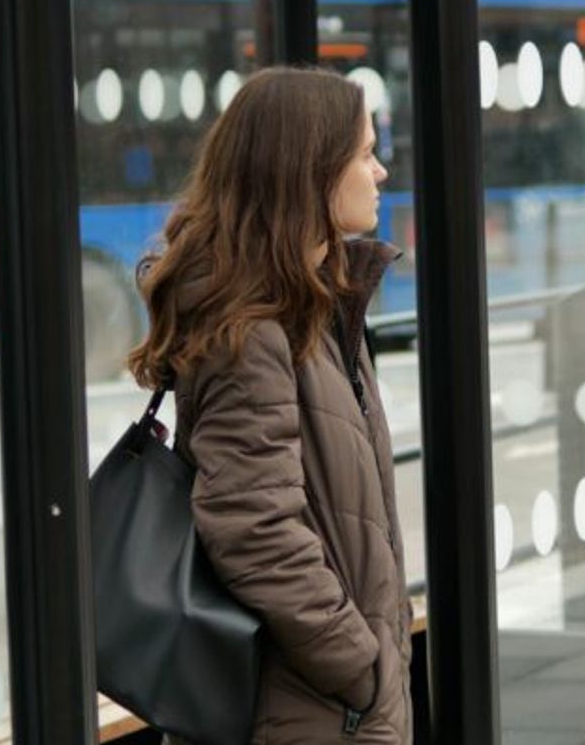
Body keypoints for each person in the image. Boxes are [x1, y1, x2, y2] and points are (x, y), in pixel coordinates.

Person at [129, 67, 410, 743]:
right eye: (365, 153)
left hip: (325, 704)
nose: (381, 173)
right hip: (303, 709)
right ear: (309, 170)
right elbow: (251, 524)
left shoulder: (311, 307)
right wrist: (358, 668)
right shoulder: (252, 329)